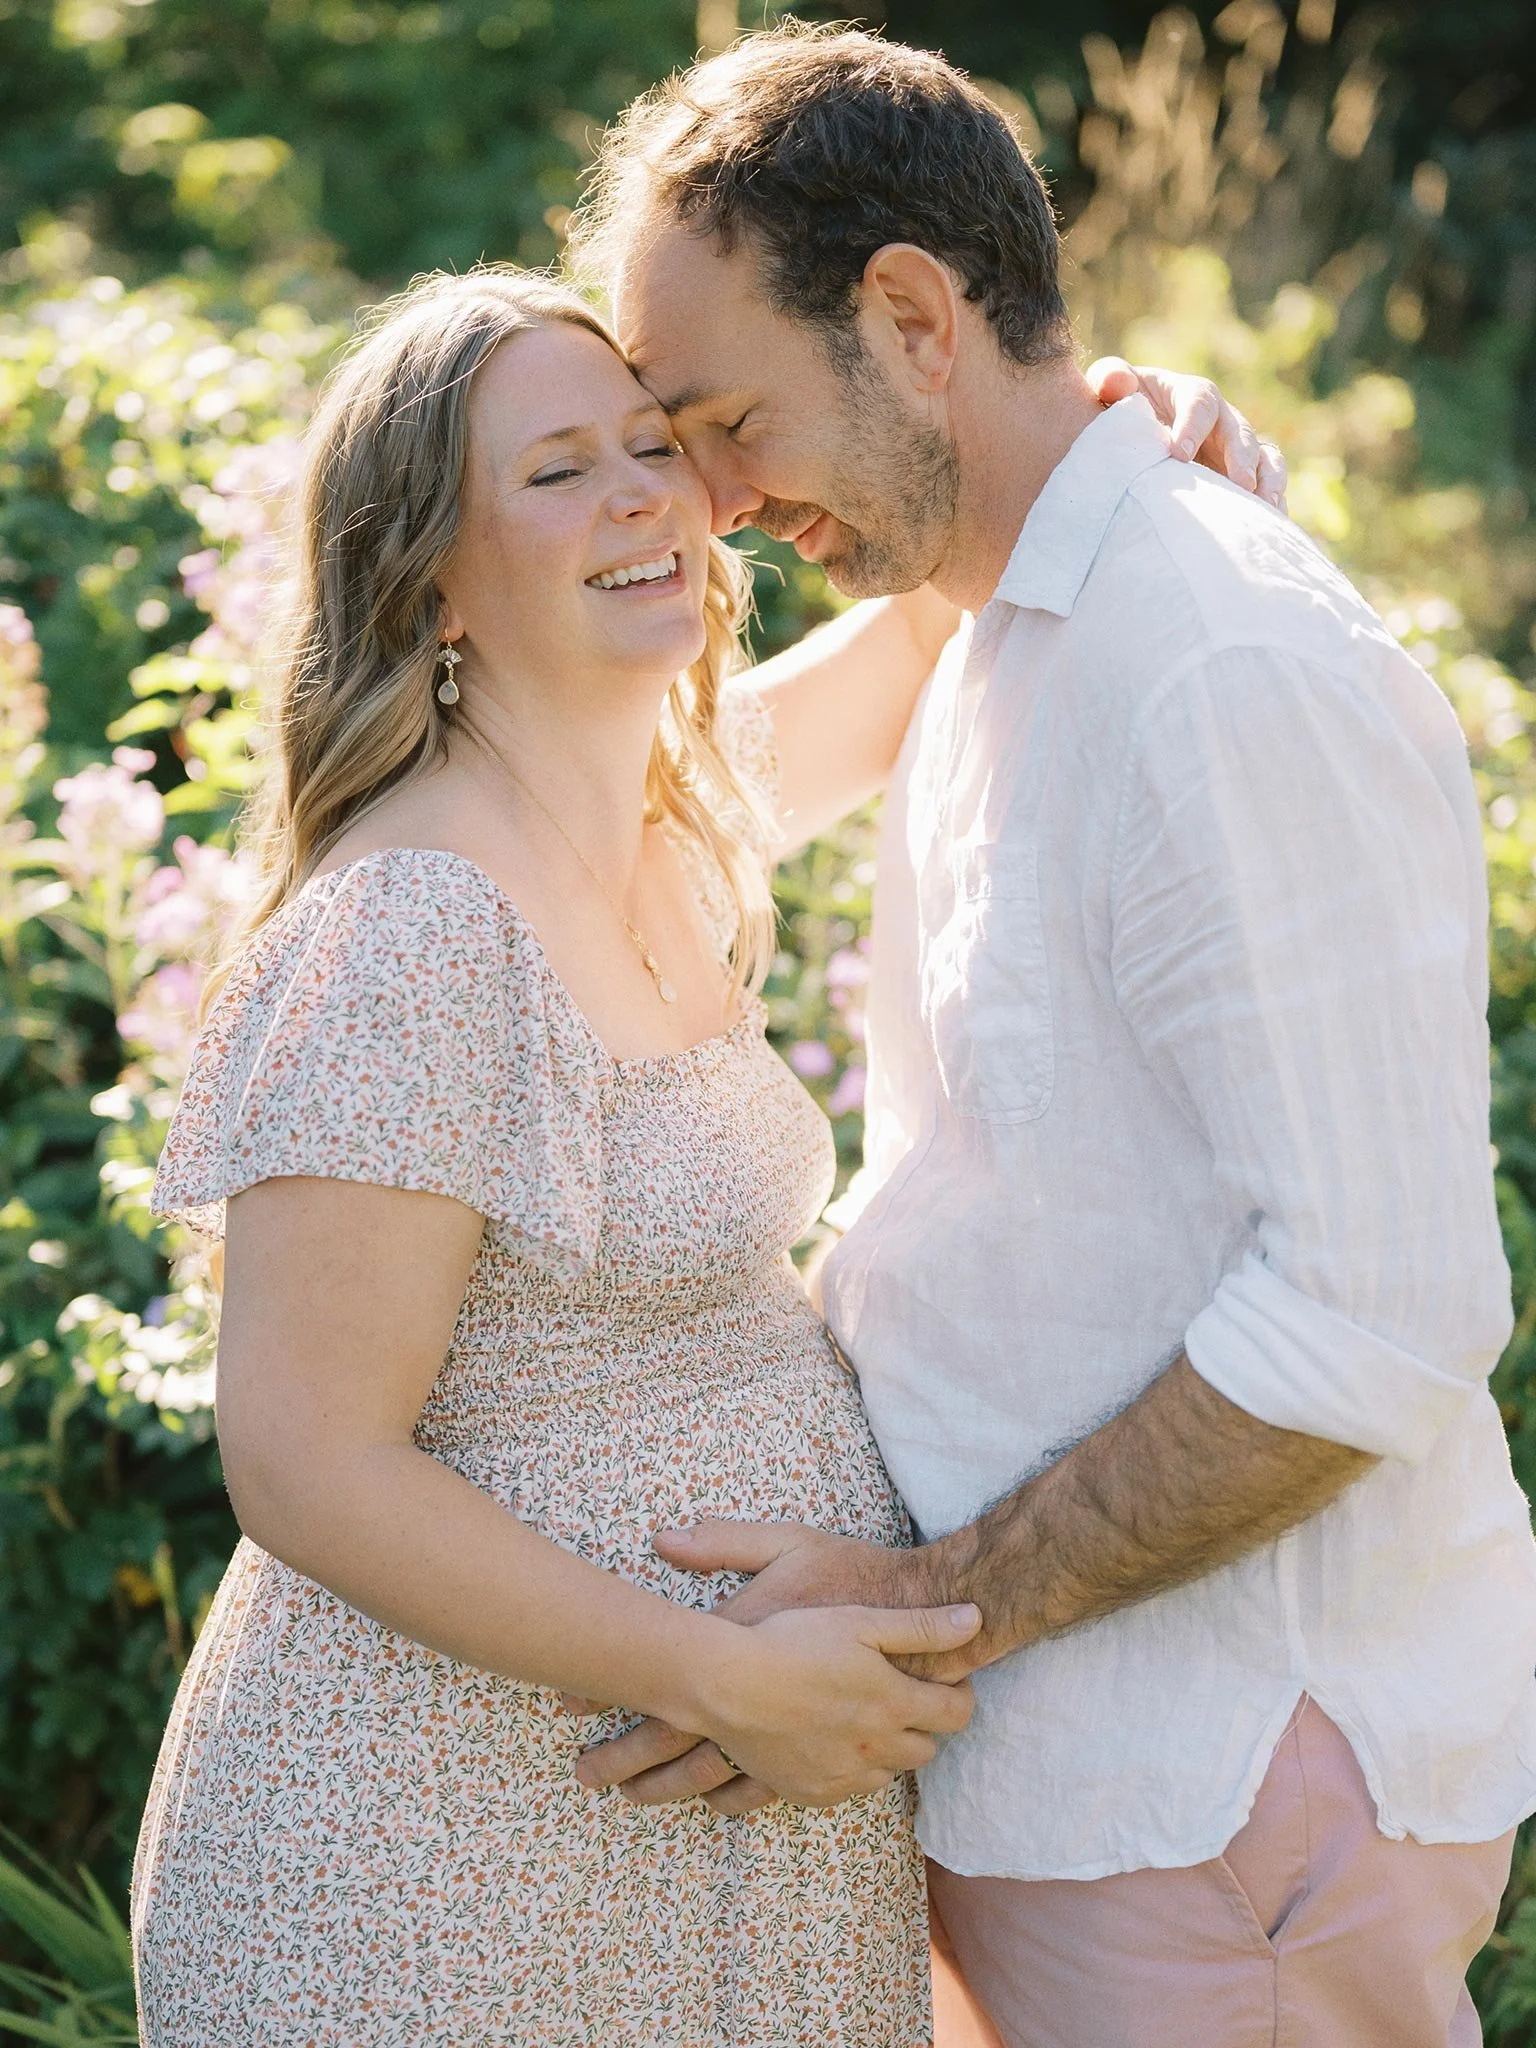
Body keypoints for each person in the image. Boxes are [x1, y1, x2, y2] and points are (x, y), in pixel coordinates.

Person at [129, 263, 1264, 2044]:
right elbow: (304, 1459)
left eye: (653, 444)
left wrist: (1112, 421)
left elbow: (913, 640)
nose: (642, 494)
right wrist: (720, 1672)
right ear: (427, 567)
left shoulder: (674, 802)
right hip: (445, 1853)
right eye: (557, 470)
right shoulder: (420, 924)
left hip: (706, 1828)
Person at [569, 24, 1536, 2047]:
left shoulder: (1220, 668)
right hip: (1072, 1760)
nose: (720, 503)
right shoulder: (1011, 618)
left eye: (729, 418)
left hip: (1217, 1792)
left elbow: (1381, 1307)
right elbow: (620, 830)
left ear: (914, 316)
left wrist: (927, 1608)